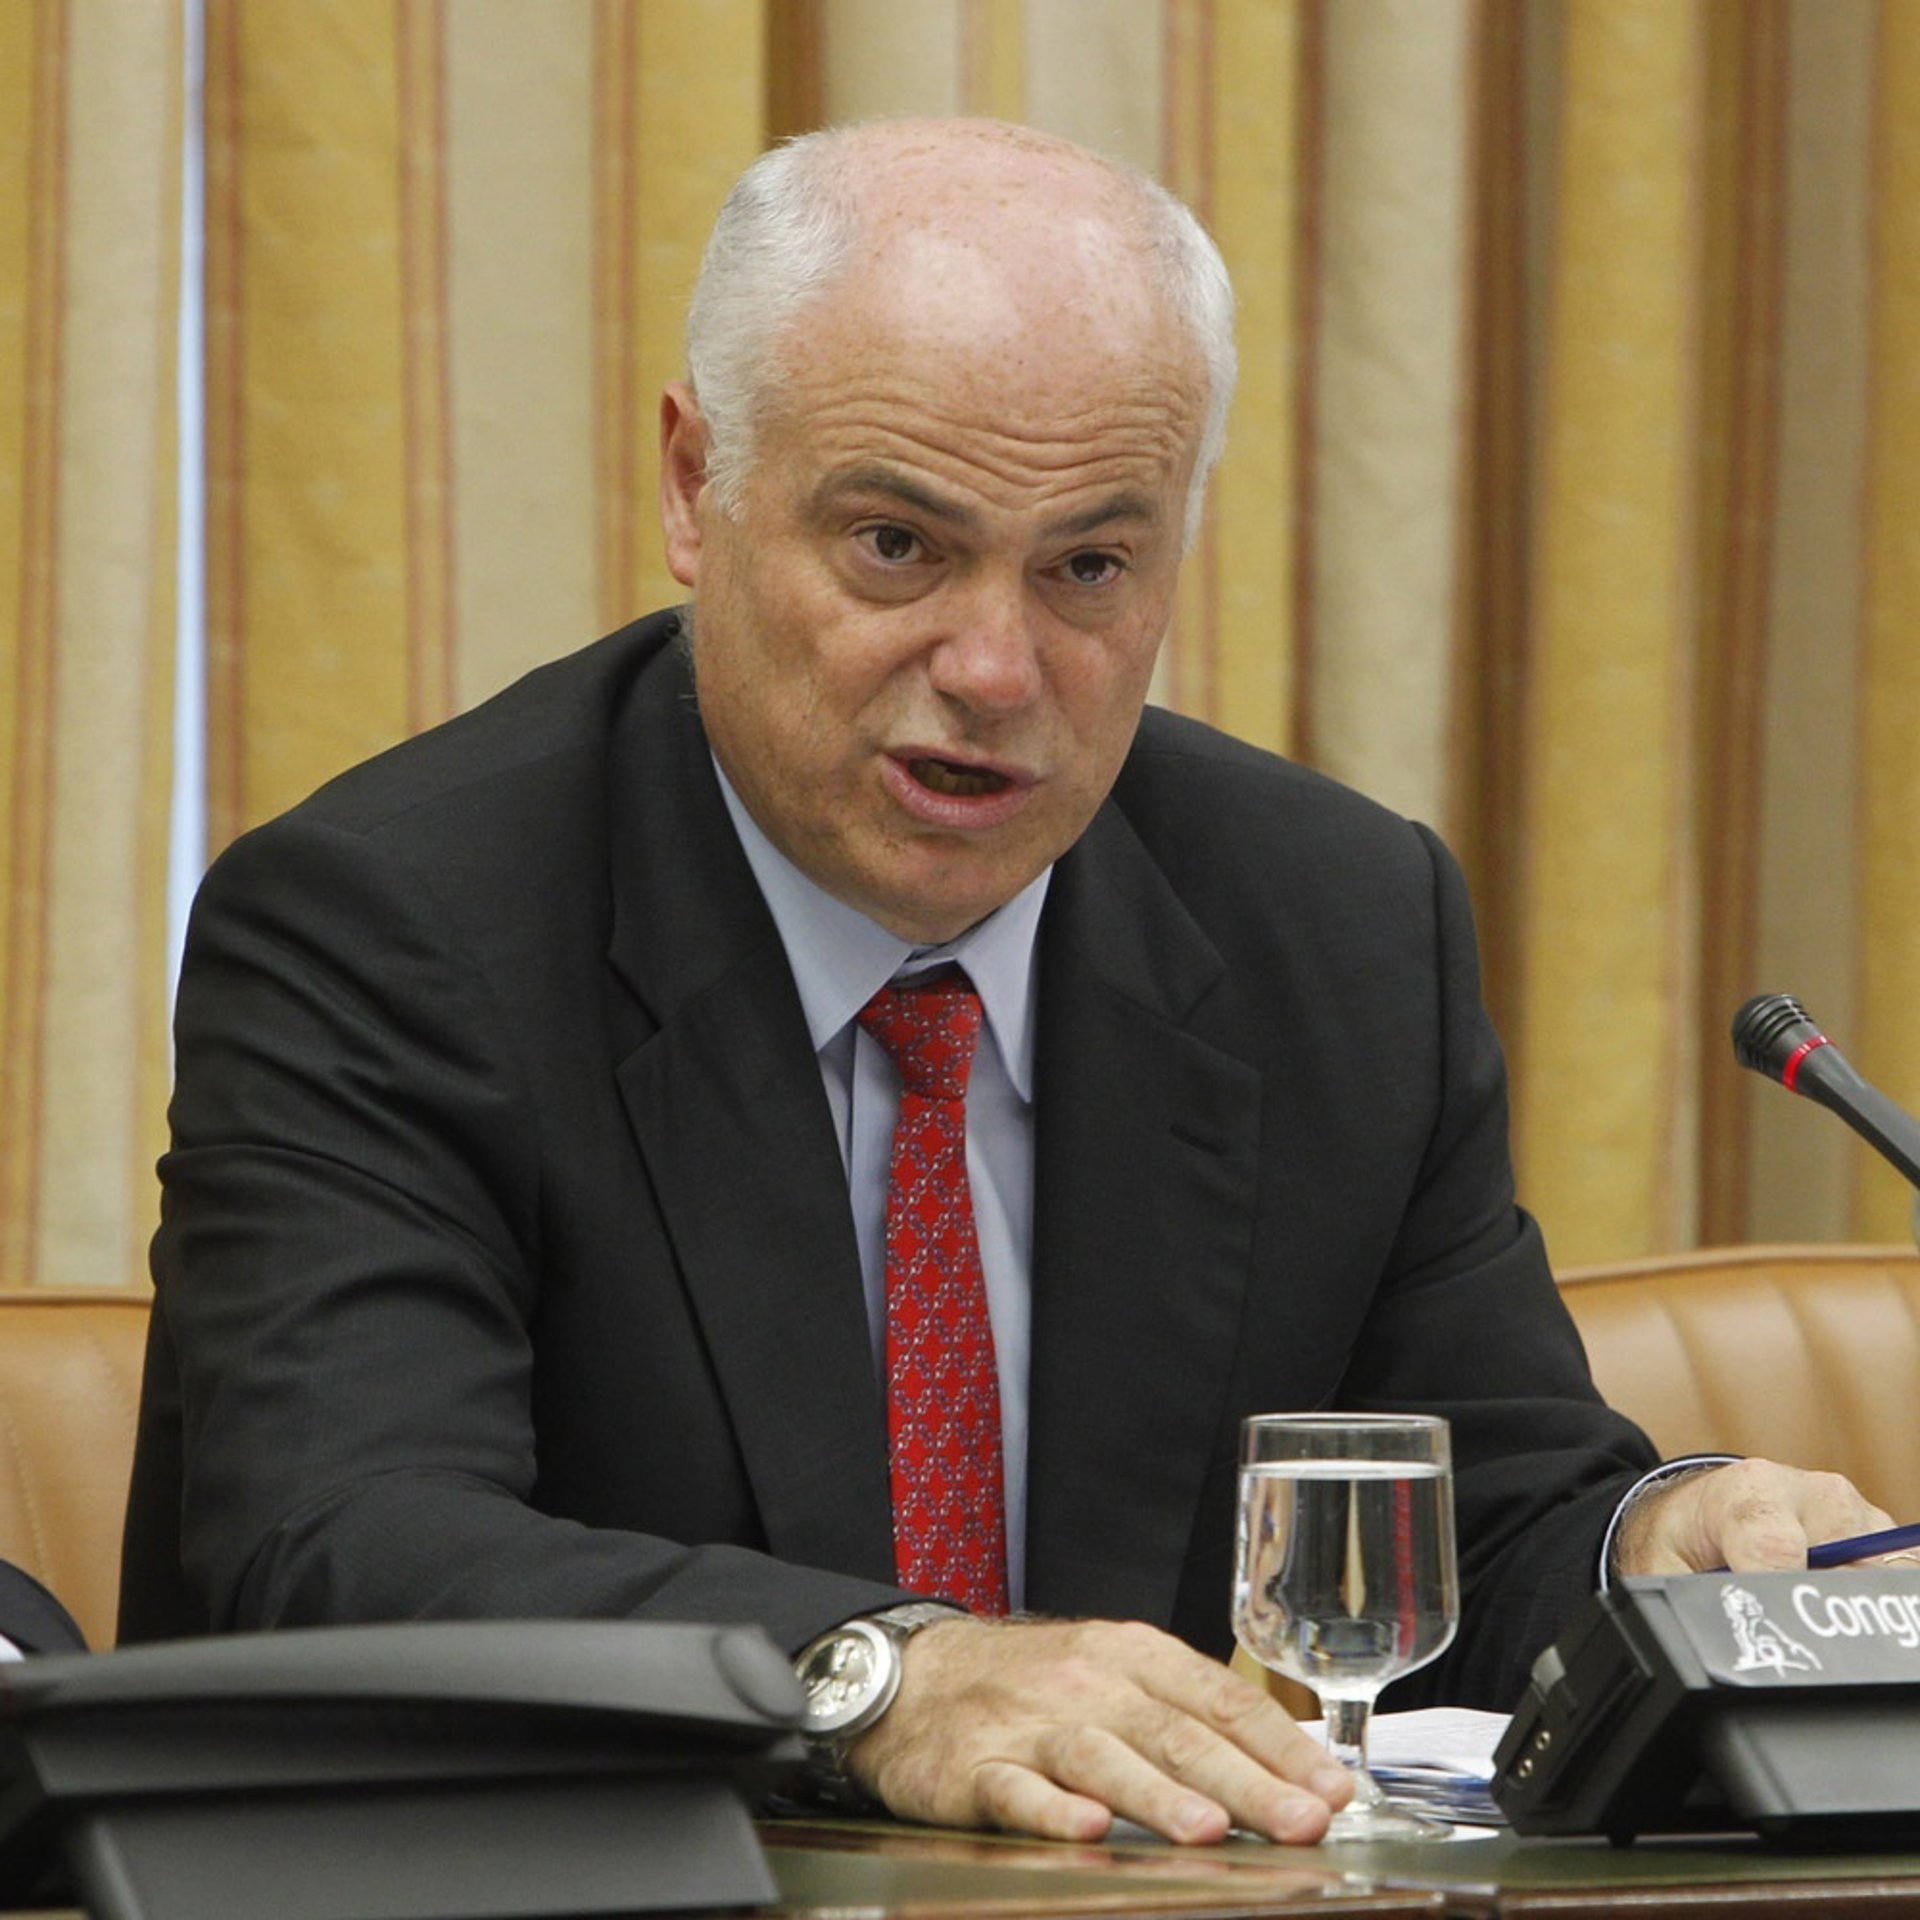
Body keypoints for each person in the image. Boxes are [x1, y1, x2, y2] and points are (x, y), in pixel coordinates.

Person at [120, 118, 1889, 1849]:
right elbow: (342, 1547)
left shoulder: (1337, 926)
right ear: (694, 486)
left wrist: (1658, 1555)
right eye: (897, 546)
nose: (993, 666)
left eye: (1088, 569)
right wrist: (881, 1675)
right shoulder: (392, 927)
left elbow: (1465, 1524)